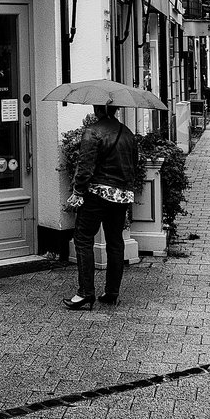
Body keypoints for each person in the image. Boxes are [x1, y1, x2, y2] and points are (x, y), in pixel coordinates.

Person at [64, 103, 139, 311]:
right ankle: (111, 292)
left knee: (83, 237)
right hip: (121, 195)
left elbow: (85, 166)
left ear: (97, 110)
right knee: (115, 241)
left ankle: (85, 292)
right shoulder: (128, 133)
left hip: (97, 193)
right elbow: (134, 164)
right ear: (115, 110)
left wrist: (78, 191)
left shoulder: (93, 132)